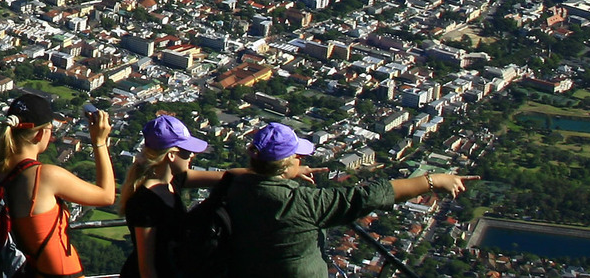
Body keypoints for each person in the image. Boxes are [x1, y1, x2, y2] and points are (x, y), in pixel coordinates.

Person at [227, 122, 475, 278]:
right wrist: (432, 180)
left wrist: (286, 173)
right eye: (297, 157)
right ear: (288, 162)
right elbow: (369, 196)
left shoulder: (234, 187)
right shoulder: (301, 202)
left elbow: (257, 178)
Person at [0, 93, 117, 278]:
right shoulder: (45, 176)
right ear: (41, 133)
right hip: (60, 271)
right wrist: (100, 142)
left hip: (23, 270)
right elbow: (107, 196)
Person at [117, 115, 215, 278]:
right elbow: (147, 268)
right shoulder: (144, 203)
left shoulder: (173, 181)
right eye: (187, 151)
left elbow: (226, 177)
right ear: (171, 155)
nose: (192, 156)